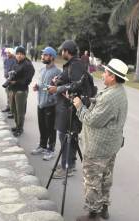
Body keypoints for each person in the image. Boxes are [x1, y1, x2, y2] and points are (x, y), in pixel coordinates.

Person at [72, 59, 129, 221]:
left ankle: (93, 214)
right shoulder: (119, 91)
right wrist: (91, 102)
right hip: (110, 146)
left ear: (112, 77)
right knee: (105, 178)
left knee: (92, 180)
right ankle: (103, 209)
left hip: (98, 148)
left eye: (105, 72)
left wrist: (79, 106)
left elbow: (91, 120)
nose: (103, 75)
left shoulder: (110, 97)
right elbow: (104, 111)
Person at [48, 40, 84, 179]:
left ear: (67, 51)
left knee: (66, 136)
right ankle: (68, 164)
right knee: (69, 136)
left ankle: (66, 167)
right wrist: (57, 80)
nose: (61, 53)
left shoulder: (76, 65)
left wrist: (58, 88)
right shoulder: (72, 64)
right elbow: (67, 80)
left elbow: (76, 86)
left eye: (62, 50)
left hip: (71, 107)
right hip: (67, 105)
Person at [31, 47, 61, 160]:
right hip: (40, 104)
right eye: (42, 54)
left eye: (45, 55)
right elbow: (43, 86)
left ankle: (50, 149)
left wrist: (51, 99)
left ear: (51, 57)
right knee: (42, 127)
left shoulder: (58, 72)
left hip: (50, 106)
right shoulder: (42, 70)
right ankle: (42, 146)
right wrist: (37, 87)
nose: (42, 57)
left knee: (51, 129)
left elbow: (58, 90)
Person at [9, 46, 35, 137]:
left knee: (20, 111)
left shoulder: (27, 64)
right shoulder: (16, 63)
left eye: (21, 54)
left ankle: (20, 128)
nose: (19, 56)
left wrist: (17, 82)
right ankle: (17, 126)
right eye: (17, 54)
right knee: (14, 110)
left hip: (21, 90)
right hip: (13, 89)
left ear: (24, 55)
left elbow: (28, 80)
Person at [2, 48, 17, 119]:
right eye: (7, 53)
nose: (7, 54)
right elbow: (5, 67)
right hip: (7, 79)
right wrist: (5, 73)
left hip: (12, 79)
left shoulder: (15, 60)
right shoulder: (6, 60)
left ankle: (12, 109)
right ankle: (8, 107)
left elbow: (14, 70)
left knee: (11, 95)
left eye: (9, 53)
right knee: (7, 93)